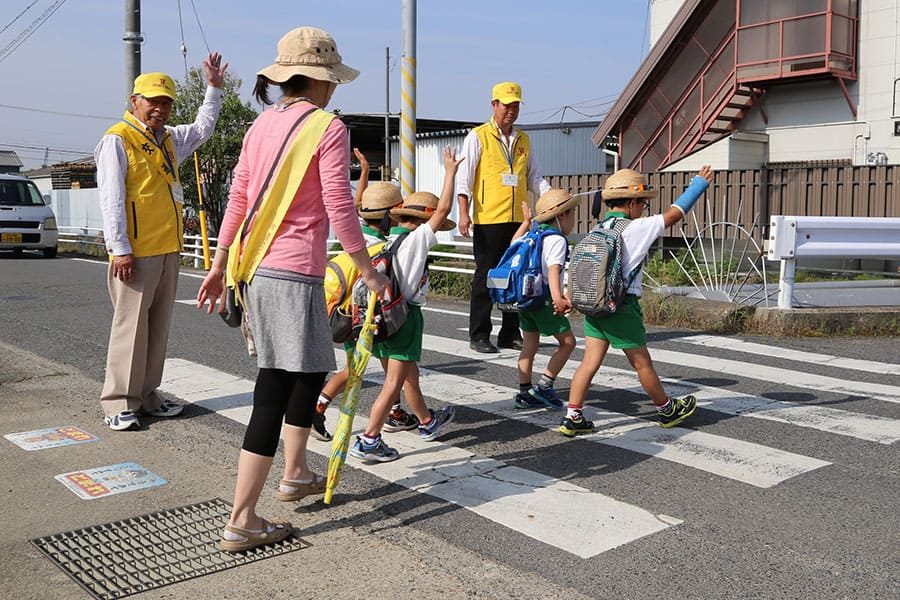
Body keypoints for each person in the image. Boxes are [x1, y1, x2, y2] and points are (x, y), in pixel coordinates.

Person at [195, 26, 388, 553]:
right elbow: (339, 204)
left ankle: (296, 472)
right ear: (320, 80)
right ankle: (242, 519)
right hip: (295, 272)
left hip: (255, 267)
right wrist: (368, 271)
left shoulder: (263, 124)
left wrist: (218, 263)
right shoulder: (327, 127)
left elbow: (237, 197)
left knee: (309, 368)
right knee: (275, 388)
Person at [95, 53, 227, 431]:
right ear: (134, 102)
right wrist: (119, 248)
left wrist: (214, 89)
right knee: (129, 328)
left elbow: (203, 128)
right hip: (135, 252)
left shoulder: (167, 139)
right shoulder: (117, 140)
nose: (160, 109)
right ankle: (119, 401)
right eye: (153, 101)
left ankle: (148, 394)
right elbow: (111, 198)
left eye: (166, 102)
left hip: (167, 247)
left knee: (157, 328)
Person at [560, 166, 714, 437]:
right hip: (621, 306)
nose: (644, 208)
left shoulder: (598, 229)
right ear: (631, 203)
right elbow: (674, 214)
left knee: (589, 363)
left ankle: (573, 416)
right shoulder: (636, 228)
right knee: (642, 363)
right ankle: (666, 409)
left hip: (594, 307)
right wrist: (698, 185)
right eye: (643, 203)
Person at [349, 147, 463, 462]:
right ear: (425, 220)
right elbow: (441, 212)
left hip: (381, 318)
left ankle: (427, 422)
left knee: (407, 374)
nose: (439, 228)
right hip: (404, 317)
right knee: (393, 382)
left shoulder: (387, 242)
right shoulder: (416, 241)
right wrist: (450, 174)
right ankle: (369, 439)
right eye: (435, 223)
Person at [312, 173, 415, 441]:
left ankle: (319, 407)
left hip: (345, 315)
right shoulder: (386, 247)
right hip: (371, 320)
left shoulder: (354, 236)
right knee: (391, 369)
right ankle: (391, 417)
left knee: (353, 368)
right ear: (389, 216)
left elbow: (357, 203)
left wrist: (366, 173)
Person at [456, 81, 551, 354]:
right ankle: (479, 333)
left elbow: (534, 177)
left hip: (518, 220)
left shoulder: (524, 140)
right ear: (494, 105)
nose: (511, 110)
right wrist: (463, 213)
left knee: (516, 274)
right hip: (488, 220)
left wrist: (551, 196)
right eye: (506, 105)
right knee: (487, 276)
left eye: (516, 105)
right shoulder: (478, 136)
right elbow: (465, 178)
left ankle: (510, 332)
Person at [510, 191, 578, 410]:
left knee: (530, 344)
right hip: (544, 299)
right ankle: (545, 385)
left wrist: (526, 223)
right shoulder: (556, 239)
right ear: (563, 215)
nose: (573, 219)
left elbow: (513, 243)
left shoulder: (533, 234)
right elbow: (554, 270)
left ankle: (524, 392)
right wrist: (558, 298)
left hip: (525, 299)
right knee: (568, 343)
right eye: (572, 214)